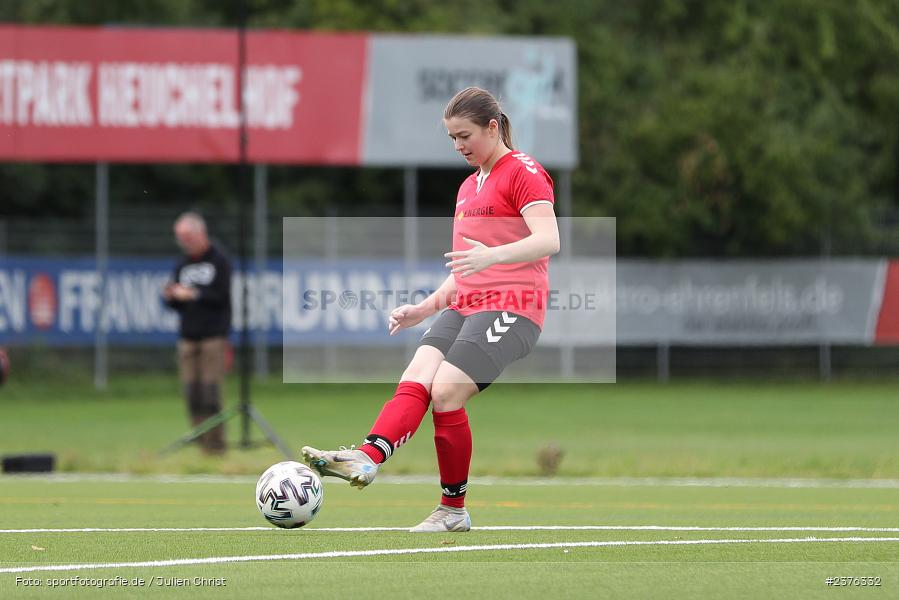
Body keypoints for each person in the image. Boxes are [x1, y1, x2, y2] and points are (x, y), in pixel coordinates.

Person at [302, 86, 559, 532]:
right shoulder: (467, 187)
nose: (459, 146)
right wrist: (424, 308)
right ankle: (367, 457)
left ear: (492, 127)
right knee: (418, 375)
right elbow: (464, 267)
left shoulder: (524, 171)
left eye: (465, 136)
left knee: (446, 391)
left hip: (515, 307)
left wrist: (492, 257)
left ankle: (452, 510)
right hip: (468, 303)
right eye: (452, 139)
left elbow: (549, 239)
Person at [163, 212, 232, 454]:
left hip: (212, 337)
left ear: (200, 233)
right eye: (179, 238)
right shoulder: (182, 264)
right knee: (191, 393)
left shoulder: (219, 260)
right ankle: (200, 444)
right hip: (187, 338)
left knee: (210, 392)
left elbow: (221, 296)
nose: (183, 242)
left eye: (187, 236)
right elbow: (176, 304)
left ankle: (216, 447)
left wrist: (193, 294)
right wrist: (171, 297)